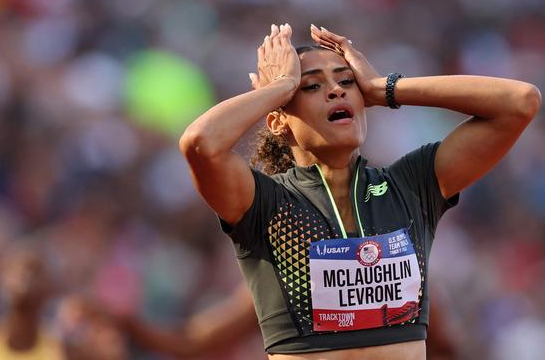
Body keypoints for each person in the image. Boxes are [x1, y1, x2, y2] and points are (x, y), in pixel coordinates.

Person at [178, 23, 541, 359]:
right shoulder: (264, 202)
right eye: (311, 85)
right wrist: (281, 86)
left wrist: (385, 88)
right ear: (278, 122)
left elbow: (520, 102)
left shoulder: (411, 185)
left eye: (346, 81)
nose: (336, 90)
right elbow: (200, 143)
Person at [0, 246, 66, 360]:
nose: (24, 279)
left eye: (34, 273)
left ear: (48, 289)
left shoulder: (59, 347)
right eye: (16, 273)